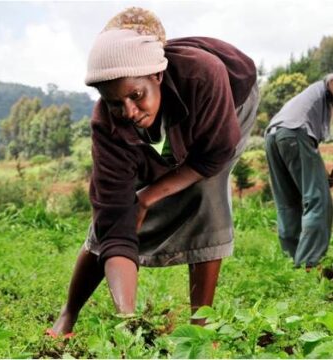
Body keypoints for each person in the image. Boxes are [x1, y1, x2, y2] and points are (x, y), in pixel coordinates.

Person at [48, 6, 258, 336]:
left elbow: (212, 156)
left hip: (229, 104)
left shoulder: (203, 73)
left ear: (156, 76)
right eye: (116, 103)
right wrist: (129, 320)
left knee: (205, 192)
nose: (128, 111)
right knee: (113, 217)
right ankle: (68, 313)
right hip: (173, 109)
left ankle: (199, 329)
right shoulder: (109, 124)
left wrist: (149, 197)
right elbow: (115, 223)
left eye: (136, 95)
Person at [265, 73, 333, 270]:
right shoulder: (323, 86)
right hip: (295, 132)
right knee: (318, 200)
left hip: (273, 135)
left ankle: (291, 261)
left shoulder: (313, 96)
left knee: (288, 202)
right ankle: (309, 264)